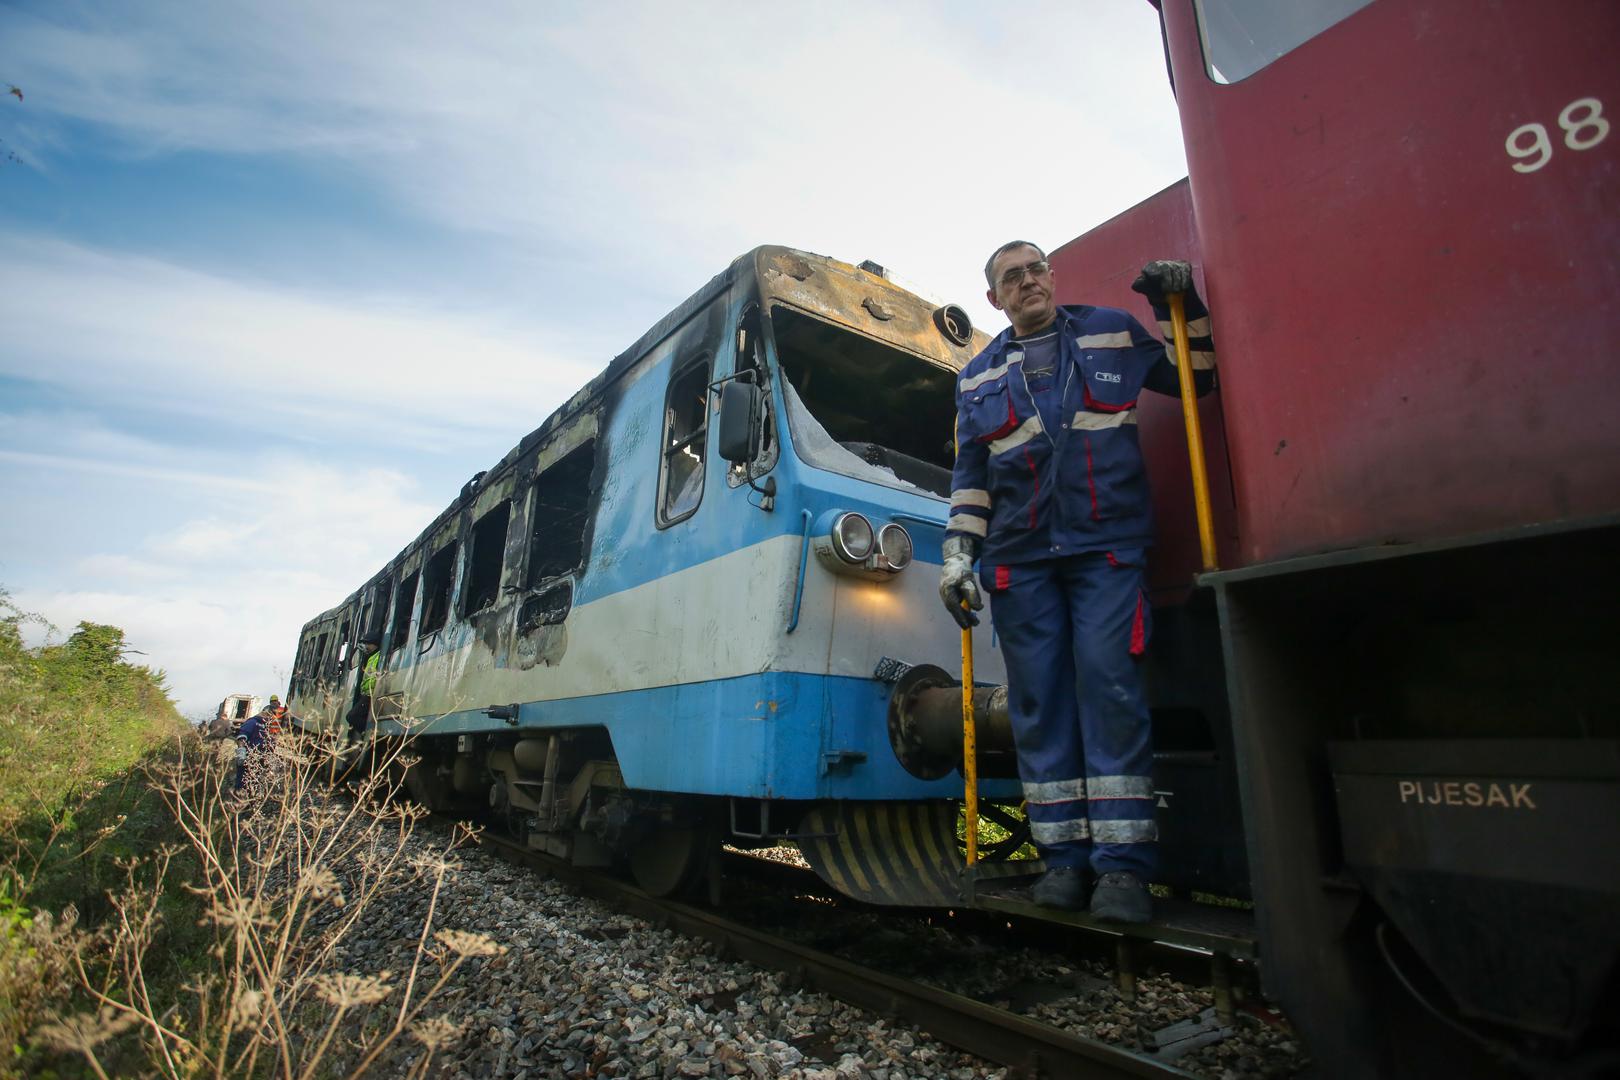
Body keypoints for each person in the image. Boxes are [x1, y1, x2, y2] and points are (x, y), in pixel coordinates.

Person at [940, 241, 1216, 922]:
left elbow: (1195, 378)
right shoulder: (975, 377)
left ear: (1051, 277)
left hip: (1106, 550)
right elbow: (970, 479)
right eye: (1012, 277)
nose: (1028, 282)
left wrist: (1178, 303)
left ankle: (1122, 874)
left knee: (1110, 687)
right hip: (1020, 560)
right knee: (1039, 706)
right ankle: (1063, 865)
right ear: (995, 299)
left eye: (1035, 269)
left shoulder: (1112, 331)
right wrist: (956, 556)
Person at [344, 637, 381, 744]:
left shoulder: (377, 656)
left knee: (352, 716)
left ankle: (368, 734)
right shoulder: (372, 657)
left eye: (368, 644)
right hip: (367, 693)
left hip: (370, 694)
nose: (366, 647)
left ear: (374, 644)